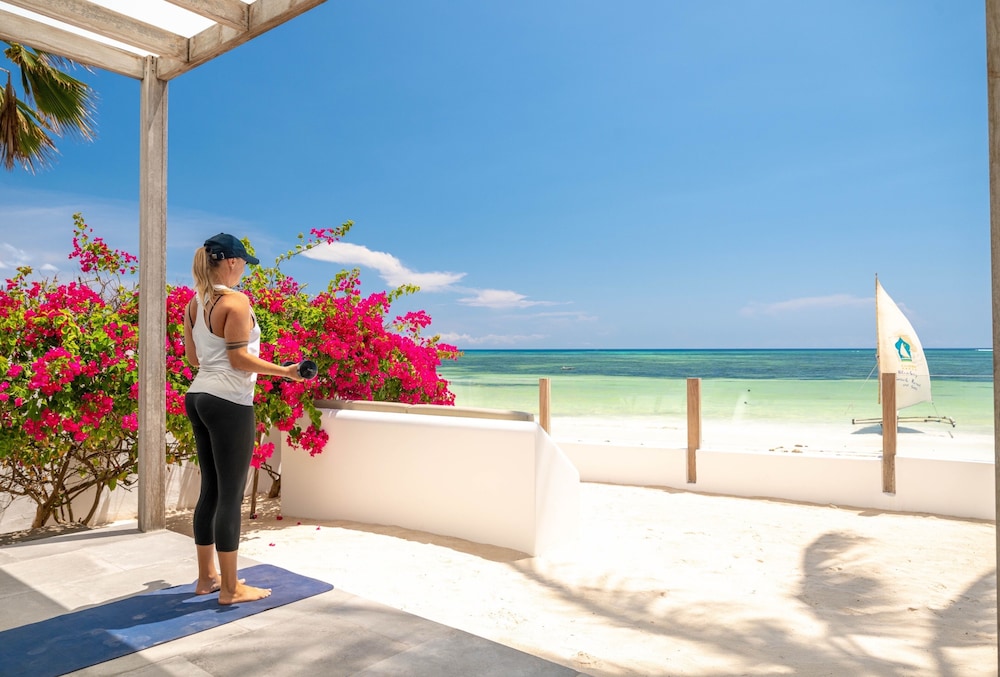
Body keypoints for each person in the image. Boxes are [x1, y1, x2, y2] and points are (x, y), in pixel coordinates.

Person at [183, 233, 304, 605]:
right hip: (229, 402)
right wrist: (287, 371)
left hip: (198, 396)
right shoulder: (235, 301)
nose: (244, 272)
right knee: (230, 496)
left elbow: (193, 358)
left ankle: (207, 577)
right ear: (232, 262)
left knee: (210, 491)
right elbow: (238, 360)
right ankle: (231, 588)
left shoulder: (194, 303)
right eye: (243, 265)